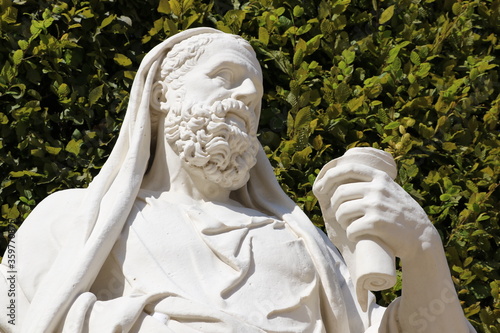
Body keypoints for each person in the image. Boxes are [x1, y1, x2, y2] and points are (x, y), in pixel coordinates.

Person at [0, 27, 475, 332]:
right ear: (163, 93)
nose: (249, 94)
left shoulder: (301, 245)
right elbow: (11, 312)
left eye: (257, 89)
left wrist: (422, 249)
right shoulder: (69, 217)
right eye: (226, 76)